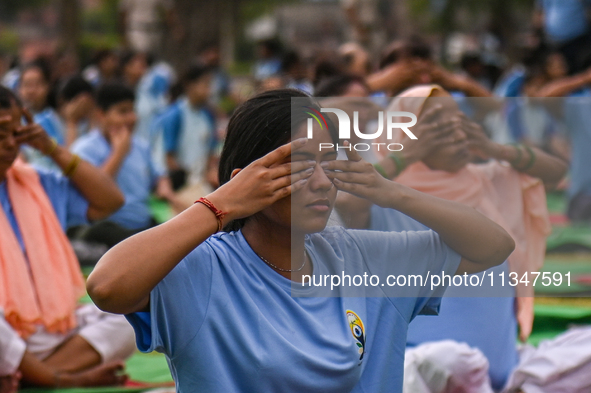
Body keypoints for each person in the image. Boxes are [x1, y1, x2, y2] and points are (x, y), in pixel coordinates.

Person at [87, 89, 515, 392]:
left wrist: (393, 192)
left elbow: (494, 246)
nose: (322, 181)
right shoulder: (203, 269)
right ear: (246, 179)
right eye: (299, 164)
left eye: (328, 162)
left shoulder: (359, 256)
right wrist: (219, 206)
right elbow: (106, 286)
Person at [337, 85, 566, 391]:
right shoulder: (386, 193)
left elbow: (556, 171)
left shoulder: (486, 179)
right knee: (447, 361)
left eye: (458, 121)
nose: (454, 132)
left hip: (500, 372)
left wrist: (495, 149)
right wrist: (405, 157)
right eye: (437, 125)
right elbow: (348, 200)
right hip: (425, 372)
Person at [0, 86, 135, 387]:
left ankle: (25, 379)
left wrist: (50, 148)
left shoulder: (36, 183)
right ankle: (52, 376)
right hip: (4, 332)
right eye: (1, 133)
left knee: (129, 318)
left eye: (15, 133)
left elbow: (110, 200)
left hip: (51, 327)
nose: (10, 144)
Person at [72, 82, 179, 248]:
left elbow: (159, 175)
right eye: (122, 112)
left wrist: (164, 188)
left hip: (140, 226)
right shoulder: (85, 149)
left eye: (132, 111)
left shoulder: (140, 146)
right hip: (104, 230)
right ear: (101, 115)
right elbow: (94, 191)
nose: (131, 118)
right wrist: (119, 153)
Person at [152, 65, 218, 206]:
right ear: (189, 85)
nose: (209, 90)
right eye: (205, 84)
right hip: (179, 188)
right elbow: (168, 157)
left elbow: (210, 151)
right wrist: (185, 179)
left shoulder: (208, 116)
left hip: (200, 186)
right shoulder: (174, 115)